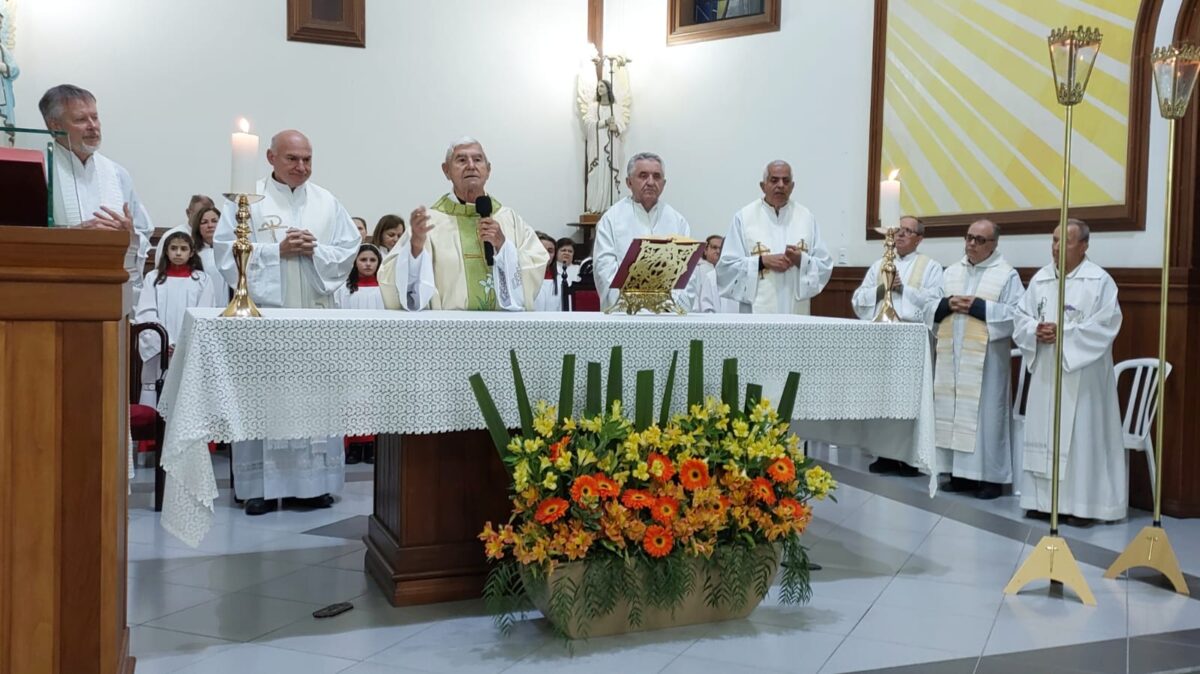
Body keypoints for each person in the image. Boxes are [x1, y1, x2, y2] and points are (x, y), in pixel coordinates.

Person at [213, 129, 360, 515]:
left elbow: (347, 251)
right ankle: (258, 487)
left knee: (314, 401)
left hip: (314, 322)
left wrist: (317, 252)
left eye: (307, 159)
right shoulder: (250, 200)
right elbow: (226, 253)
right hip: (268, 323)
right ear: (270, 158)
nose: (301, 167)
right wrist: (275, 251)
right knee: (266, 400)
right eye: (292, 158)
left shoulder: (327, 202)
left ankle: (314, 486)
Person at [1014, 219, 1124, 525]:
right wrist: (1035, 330)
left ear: (1085, 245)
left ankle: (1083, 506)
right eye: (1054, 240)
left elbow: (1106, 325)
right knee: (1044, 432)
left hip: (1081, 375)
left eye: (1066, 241)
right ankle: (1041, 501)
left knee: (1081, 437)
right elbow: (1020, 317)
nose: (1057, 247)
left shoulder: (1099, 281)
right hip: (1048, 372)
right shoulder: (1041, 279)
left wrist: (1064, 334)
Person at [379, 137, 548, 311]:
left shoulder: (509, 218)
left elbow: (537, 263)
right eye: (461, 160)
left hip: (502, 328)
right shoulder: (429, 222)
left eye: (477, 159)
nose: (471, 165)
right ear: (446, 171)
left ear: (488, 170)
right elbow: (391, 279)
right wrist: (414, 250)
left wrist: (504, 247)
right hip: (449, 330)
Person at [927, 219, 1024, 499]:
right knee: (953, 409)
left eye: (979, 240)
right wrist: (946, 305)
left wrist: (980, 307)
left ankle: (990, 479)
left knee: (987, 416)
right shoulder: (951, 272)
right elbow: (929, 304)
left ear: (994, 244)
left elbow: (1017, 314)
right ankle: (959, 475)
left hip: (987, 362)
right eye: (969, 237)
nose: (971, 243)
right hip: (952, 356)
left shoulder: (1006, 275)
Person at [39, 84, 154, 302]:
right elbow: (22, 237)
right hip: (53, 293)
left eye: (95, 117)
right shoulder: (40, 169)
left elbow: (142, 234)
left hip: (109, 294)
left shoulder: (117, 174)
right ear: (54, 125)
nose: (93, 126)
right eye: (81, 119)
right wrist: (69, 238)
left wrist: (128, 235)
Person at [852, 215, 944, 475]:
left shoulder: (931, 267)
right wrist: (883, 290)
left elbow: (935, 302)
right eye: (897, 231)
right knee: (881, 394)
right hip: (881, 338)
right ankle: (884, 453)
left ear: (919, 238)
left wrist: (904, 290)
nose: (900, 235)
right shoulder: (880, 264)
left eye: (907, 231)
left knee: (909, 396)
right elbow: (859, 299)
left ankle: (909, 457)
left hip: (911, 339)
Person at [716, 160, 832, 315]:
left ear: (792, 186)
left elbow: (824, 266)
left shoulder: (806, 218)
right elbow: (726, 269)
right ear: (763, 186)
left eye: (786, 180)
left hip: (795, 313)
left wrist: (801, 260)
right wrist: (762, 262)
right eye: (774, 180)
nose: (781, 185)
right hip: (757, 315)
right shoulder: (744, 218)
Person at [593, 152, 693, 311]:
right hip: (626, 316)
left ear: (664, 183)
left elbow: (688, 272)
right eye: (643, 175)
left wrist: (667, 305)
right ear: (629, 182)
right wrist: (635, 306)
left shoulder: (677, 221)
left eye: (657, 176)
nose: (651, 182)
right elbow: (604, 271)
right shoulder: (611, 219)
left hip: (668, 316)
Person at [133, 232, 215, 405]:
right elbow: (146, 313)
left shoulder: (202, 280)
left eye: (183, 249)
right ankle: (154, 429)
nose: (178, 253)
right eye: (174, 248)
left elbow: (203, 314)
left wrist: (183, 343)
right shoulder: (153, 278)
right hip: (159, 351)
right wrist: (164, 342)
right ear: (166, 251)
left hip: (188, 348)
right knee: (153, 384)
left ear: (191, 253)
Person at [578, 51, 632, 214]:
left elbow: (621, 124)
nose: (599, 88)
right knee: (596, 174)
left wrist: (616, 127)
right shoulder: (594, 107)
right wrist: (604, 123)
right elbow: (589, 124)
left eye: (602, 86)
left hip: (611, 148)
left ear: (608, 89)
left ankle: (610, 206)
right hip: (598, 148)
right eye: (598, 86)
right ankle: (595, 206)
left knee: (609, 175)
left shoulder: (615, 108)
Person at [187, 206, 228, 306]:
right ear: (198, 227)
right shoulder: (192, 255)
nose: (210, 225)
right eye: (204, 222)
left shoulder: (230, 251)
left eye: (214, 221)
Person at [695, 235, 739, 314]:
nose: (718, 251)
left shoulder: (732, 272)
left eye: (721, 249)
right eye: (714, 247)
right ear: (705, 250)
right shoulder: (696, 270)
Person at [335, 244, 386, 310]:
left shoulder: (386, 289)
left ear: (378, 263)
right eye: (363, 260)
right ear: (355, 262)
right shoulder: (343, 289)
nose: (368, 264)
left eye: (373, 260)